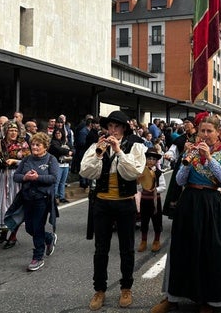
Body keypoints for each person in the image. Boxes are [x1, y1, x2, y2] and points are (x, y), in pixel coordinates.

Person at [150, 114, 221, 313]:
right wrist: (188, 159)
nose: (204, 135)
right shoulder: (191, 149)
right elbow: (179, 180)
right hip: (190, 200)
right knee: (182, 248)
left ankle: (208, 299)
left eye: (209, 131)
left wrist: (209, 159)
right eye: (202, 131)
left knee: (210, 252)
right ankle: (173, 296)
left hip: (213, 203)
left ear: (217, 132)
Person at [80, 110, 146, 311]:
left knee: (126, 248)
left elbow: (134, 172)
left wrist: (118, 151)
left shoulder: (136, 146)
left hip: (125, 202)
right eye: (110, 126)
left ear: (124, 128)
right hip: (102, 203)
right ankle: (99, 289)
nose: (113, 130)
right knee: (101, 249)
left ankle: (126, 287)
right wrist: (100, 154)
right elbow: (86, 171)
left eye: (116, 126)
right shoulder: (97, 145)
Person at [13, 132, 60, 271]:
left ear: (45, 146)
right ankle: (49, 238)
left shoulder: (51, 160)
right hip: (27, 198)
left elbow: (53, 178)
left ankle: (38, 257)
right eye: (32, 144)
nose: (34, 147)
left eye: (38, 145)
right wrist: (26, 177)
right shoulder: (27, 160)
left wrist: (38, 177)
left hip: (42, 199)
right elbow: (16, 176)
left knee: (38, 227)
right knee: (29, 228)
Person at [0, 121, 31, 248]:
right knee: (1, 205)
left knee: (14, 205)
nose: (13, 133)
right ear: (5, 131)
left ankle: (13, 236)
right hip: (1, 176)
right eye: (11, 130)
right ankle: (4, 229)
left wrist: (15, 161)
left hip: (16, 177)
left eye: (15, 131)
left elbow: (28, 160)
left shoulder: (23, 144)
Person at [136, 147, 166, 253]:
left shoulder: (159, 173)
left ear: (156, 161)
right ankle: (143, 241)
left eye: (153, 159)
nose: (151, 161)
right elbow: (138, 188)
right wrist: (139, 182)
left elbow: (163, 186)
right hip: (144, 200)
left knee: (156, 220)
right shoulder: (142, 171)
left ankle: (156, 241)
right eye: (149, 159)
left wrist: (155, 189)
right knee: (144, 221)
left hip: (154, 200)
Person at [49, 127, 74, 203]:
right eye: (56, 133)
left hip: (66, 164)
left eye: (59, 133)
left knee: (63, 182)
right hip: (58, 164)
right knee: (56, 182)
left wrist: (71, 151)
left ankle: (62, 197)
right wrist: (68, 151)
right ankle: (55, 197)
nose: (58, 135)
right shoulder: (53, 142)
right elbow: (58, 150)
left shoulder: (65, 142)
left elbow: (73, 149)